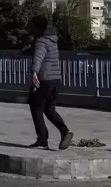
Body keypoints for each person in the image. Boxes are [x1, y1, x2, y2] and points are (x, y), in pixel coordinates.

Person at [27, 14, 73, 150]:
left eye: (32, 26)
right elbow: (37, 52)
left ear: (36, 27)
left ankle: (42, 139)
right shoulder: (52, 40)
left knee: (36, 107)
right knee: (49, 108)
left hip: (44, 78)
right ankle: (64, 131)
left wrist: (34, 72)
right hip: (55, 79)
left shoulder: (41, 41)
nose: (30, 28)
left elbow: (39, 57)